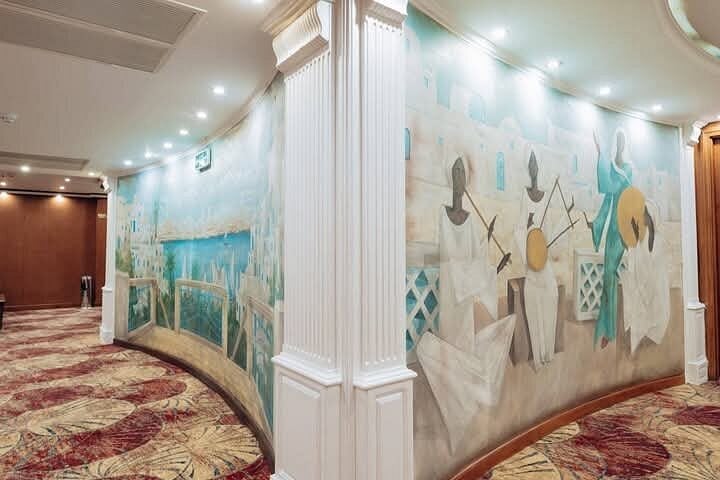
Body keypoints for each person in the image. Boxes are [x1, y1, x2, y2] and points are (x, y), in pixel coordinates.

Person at [586, 129, 632, 348]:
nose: (620, 144)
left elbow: (615, 187)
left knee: (610, 276)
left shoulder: (627, 170)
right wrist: (596, 223)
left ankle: (609, 330)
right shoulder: (615, 168)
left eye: (623, 141)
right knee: (608, 276)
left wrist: (601, 155)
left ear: (625, 145)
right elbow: (607, 199)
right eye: (618, 141)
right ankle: (607, 328)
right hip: (613, 229)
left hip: (623, 227)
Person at [514, 150, 559, 367]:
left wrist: (543, 246)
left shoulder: (546, 196)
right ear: (527, 167)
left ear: (539, 167)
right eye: (530, 163)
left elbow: (548, 232)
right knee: (533, 299)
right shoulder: (524, 195)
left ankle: (548, 351)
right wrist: (530, 253)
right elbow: (518, 229)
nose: (533, 167)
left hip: (544, 260)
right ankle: (538, 355)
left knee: (552, 294)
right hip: (531, 262)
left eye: (535, 163)